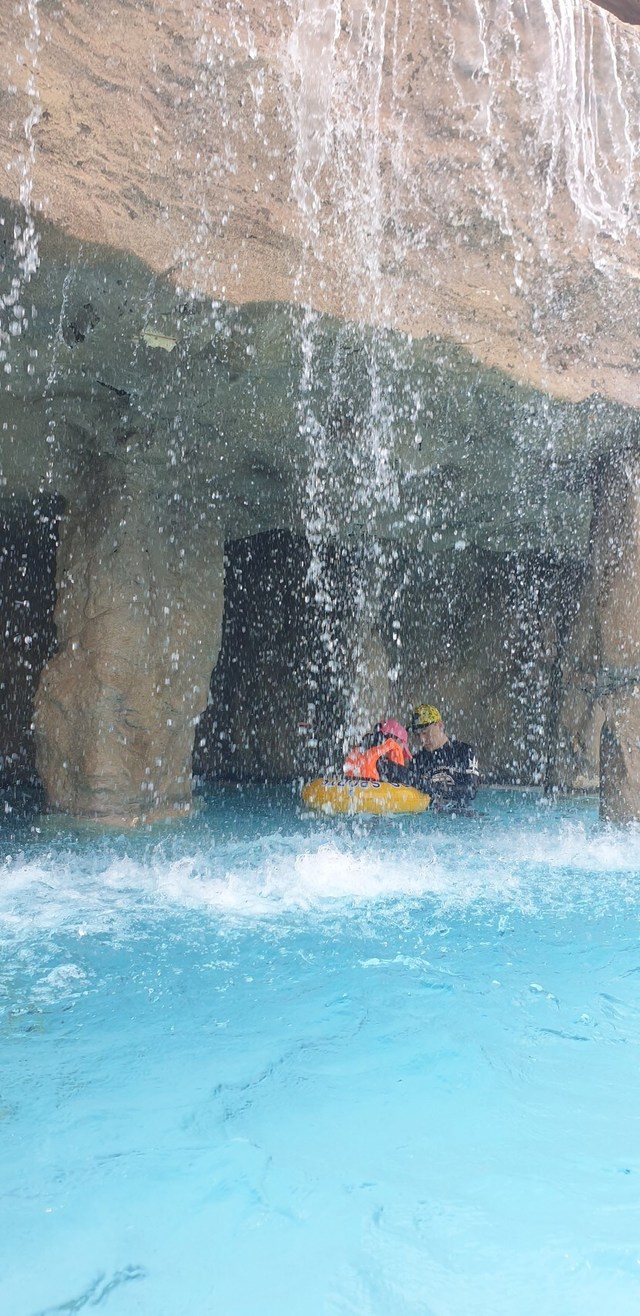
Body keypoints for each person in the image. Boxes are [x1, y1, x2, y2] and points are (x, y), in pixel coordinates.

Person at [381, 703, 480, 808]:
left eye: (425, 732)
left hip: (461, 813)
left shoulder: (464, 751)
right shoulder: (418, 760)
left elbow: (470, 791)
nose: (422, 740)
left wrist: (428, 786)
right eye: (417, 735)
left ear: (440, 725)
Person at [343, 719, 412, 782]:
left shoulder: (361, 749)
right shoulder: (385, 765)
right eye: (402, 747)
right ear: (396, 741)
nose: (402, 751)